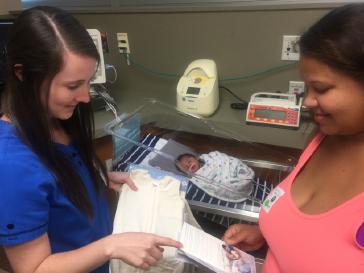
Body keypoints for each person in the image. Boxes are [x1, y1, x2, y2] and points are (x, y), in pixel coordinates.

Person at [0, 6, 181, 273]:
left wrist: (95, 176)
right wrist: (111, 246)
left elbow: (59, 173)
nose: (85, 97)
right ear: (23, 74)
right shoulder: (11, 166)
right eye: (73, 86)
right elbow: (34, 268)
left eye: (88, 81)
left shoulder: (58, 118)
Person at [223, 3, 364, 272]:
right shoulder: (323, 138)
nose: (309, 101)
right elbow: (317, 231)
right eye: (307, 87)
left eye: (320, 88)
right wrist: (268, 233)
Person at [176, 152, 255, 202]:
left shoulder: (211, 157)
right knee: (228, 185)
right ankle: (240, 183)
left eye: (189, 161)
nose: (190, 165)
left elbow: (224, 160)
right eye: (186, 167)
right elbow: (210, 185)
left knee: (236, 166)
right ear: (187, 173)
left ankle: (243, 175)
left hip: (229, 170)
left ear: (196, 158)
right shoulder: (197, 178)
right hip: (227, 183)